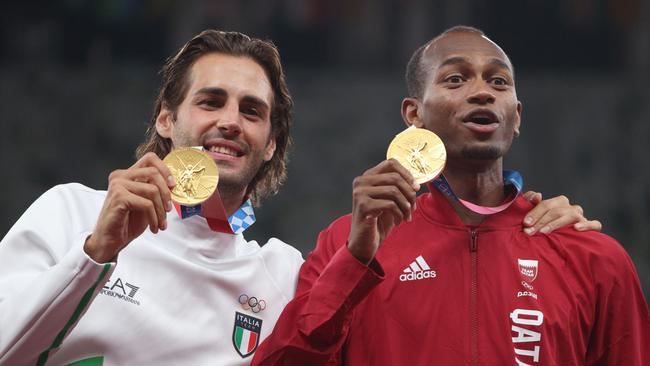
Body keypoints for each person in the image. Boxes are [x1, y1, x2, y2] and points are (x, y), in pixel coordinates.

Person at [0, 28, 600, 366]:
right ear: (165, 117)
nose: (230, 121)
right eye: (210, 101)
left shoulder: (285, 273)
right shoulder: (72, 211)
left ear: (269, 145)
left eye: (251, 111)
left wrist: (522, 227)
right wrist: (94, 254)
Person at [251, 26, 650, 365]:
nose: (482, 92)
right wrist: (353, 263)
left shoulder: (593, 258)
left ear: (516, 117)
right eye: (455, 79)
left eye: (499, 82)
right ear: (414, 114)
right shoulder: (349, 244)